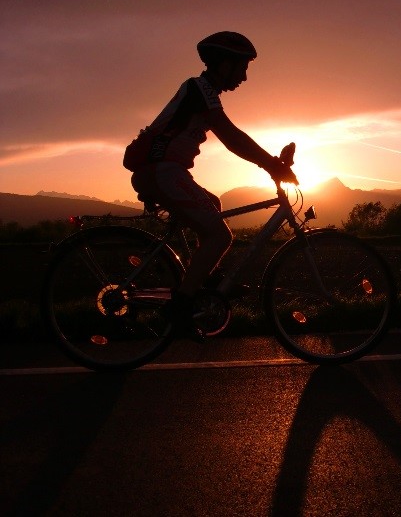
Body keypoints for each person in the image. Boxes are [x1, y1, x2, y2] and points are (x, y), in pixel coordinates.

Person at [123, 31, 297, 339]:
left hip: (166, 172)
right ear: (222, 64)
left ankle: (208, 280)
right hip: (163, 172)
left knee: (213, 205)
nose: (244, 76)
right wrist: (271, 164)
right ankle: (181, 308)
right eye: (241, 67)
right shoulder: (198, 88)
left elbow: (231, 137)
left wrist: (270, 164)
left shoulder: (203, 91)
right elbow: (231, 137)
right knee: (220, 234)